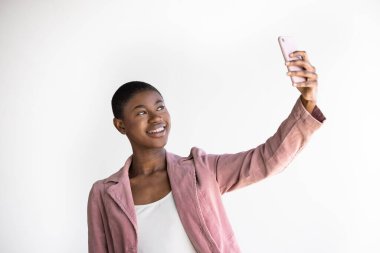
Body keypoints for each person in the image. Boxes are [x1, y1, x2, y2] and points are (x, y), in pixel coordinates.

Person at [87, 50, 326, 253]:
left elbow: (266, 160)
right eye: (141, 112)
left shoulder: (201, 170)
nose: (156, 117)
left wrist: (307, 102)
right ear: (121, 125)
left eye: (160, 107)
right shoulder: (105, 194)